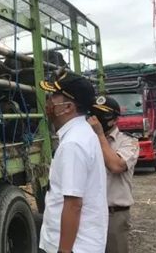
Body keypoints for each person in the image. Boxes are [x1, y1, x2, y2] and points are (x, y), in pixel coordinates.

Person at [39, 71, 108, 253]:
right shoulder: (83, 133)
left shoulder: (73, 144)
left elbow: (73, 204)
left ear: (68, 107)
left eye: (54, 96)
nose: (48, 102)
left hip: (74, 247)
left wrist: (64, 251)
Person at [88, 96, 139, 253]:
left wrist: (100, 136)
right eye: (94, 113)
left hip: (114, 216)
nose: (97, 118)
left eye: (102, 115)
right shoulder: (87, 140)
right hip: (90, 214)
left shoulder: (128, 142)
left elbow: (116, 165)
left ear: (115, 119)